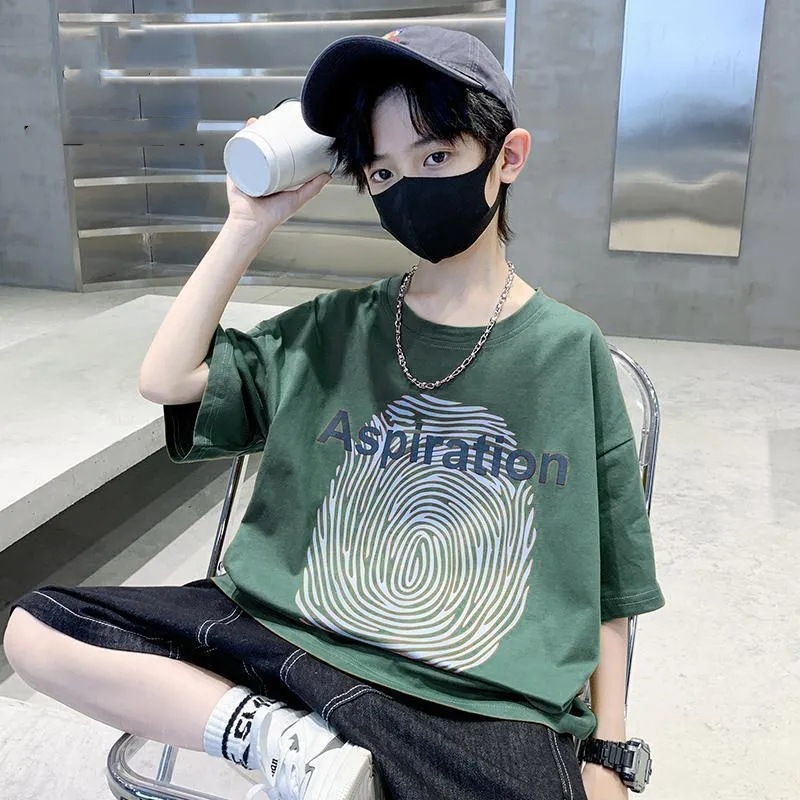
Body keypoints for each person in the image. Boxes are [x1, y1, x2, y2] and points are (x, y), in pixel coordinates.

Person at [3, 25, 665, 800]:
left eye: (436, 157)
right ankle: (290, 749)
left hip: (474, 696)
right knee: (36, 631)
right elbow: (168, 377)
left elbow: (611, 578)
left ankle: (323, 764)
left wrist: (608, 750)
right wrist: (248, 222)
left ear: (507, 158)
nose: (407, 185)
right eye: (381, 171)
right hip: (283, 638)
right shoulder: (335, 328)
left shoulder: (568, 350)